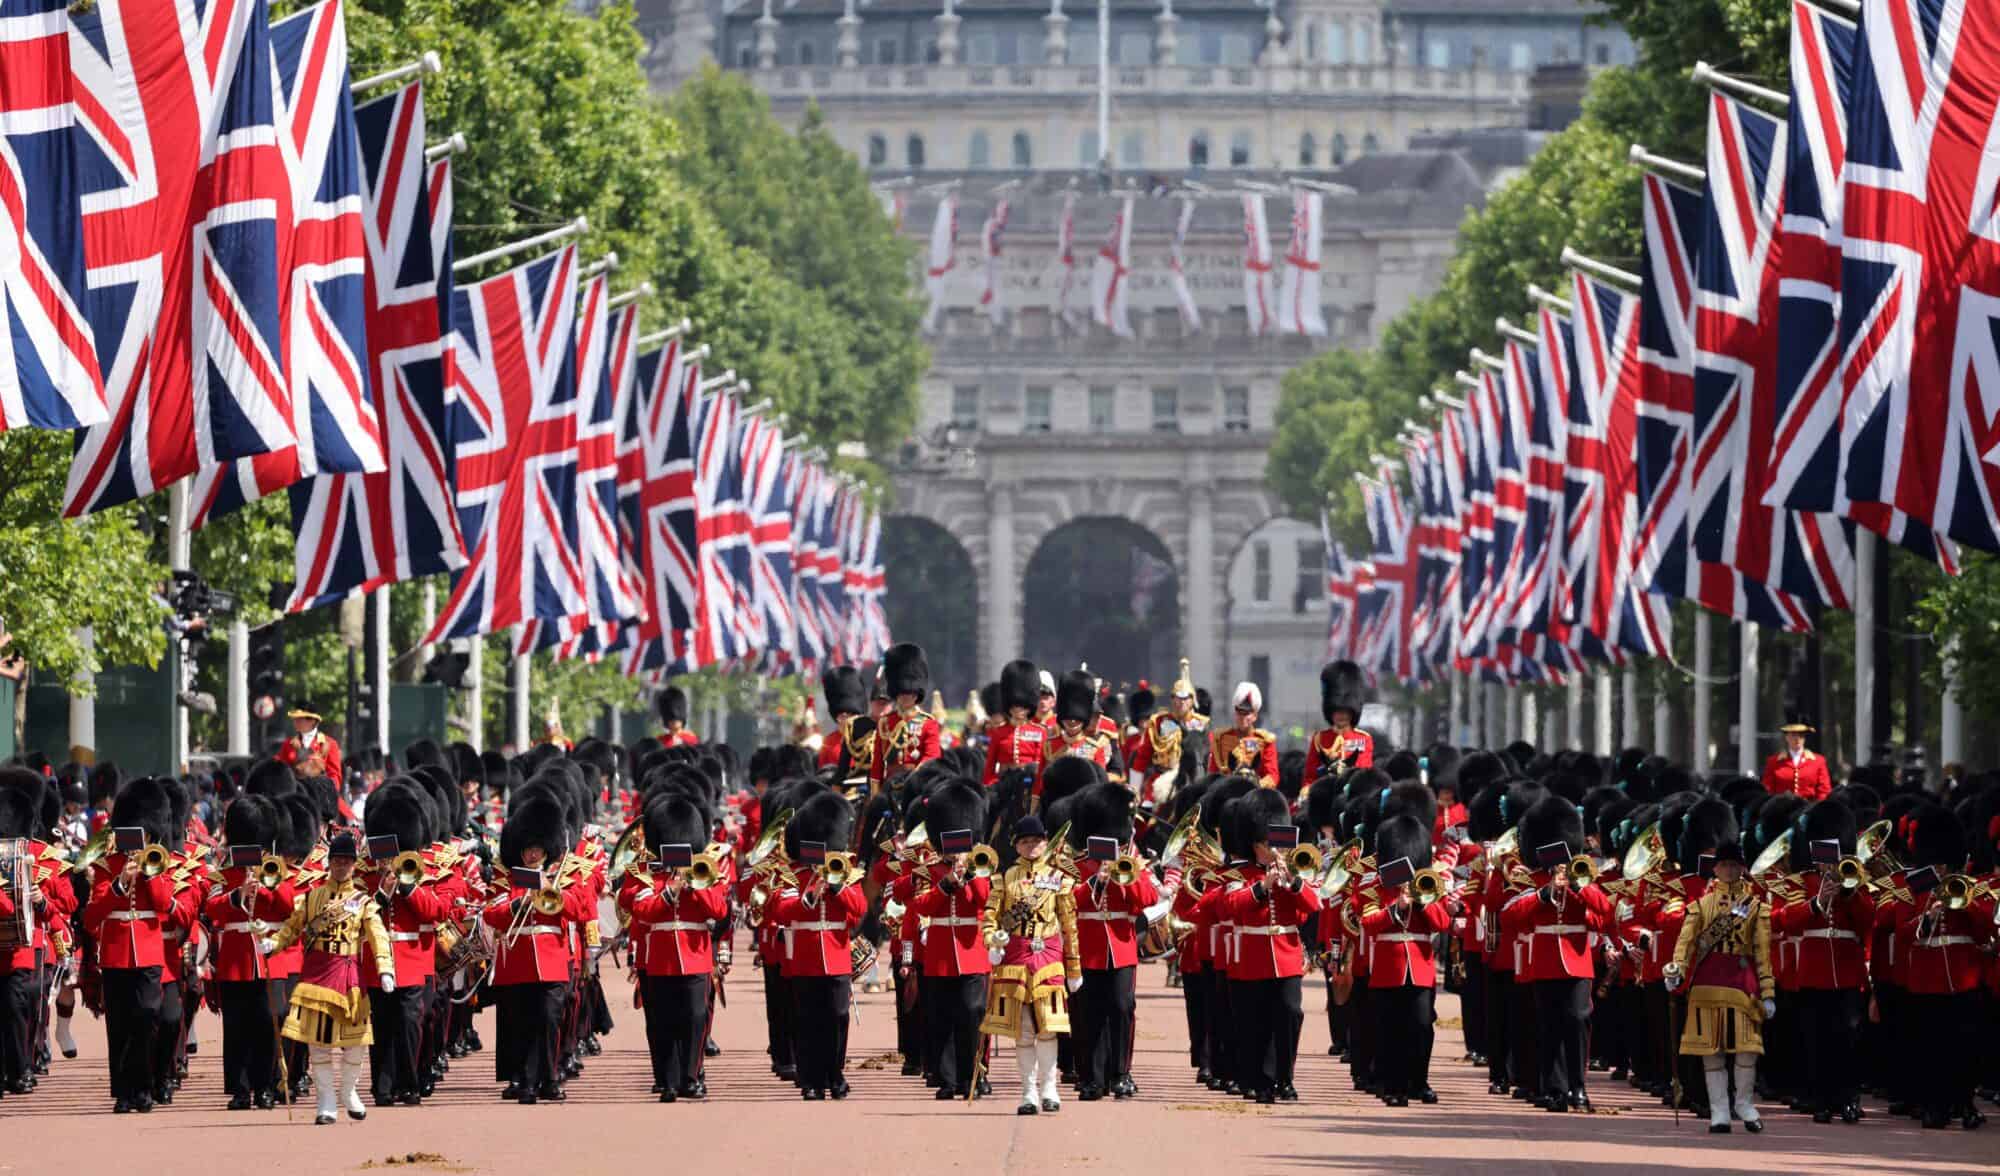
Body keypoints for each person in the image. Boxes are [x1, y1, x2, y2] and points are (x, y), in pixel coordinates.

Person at [261, 832, 395, 1126]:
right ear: (329, 863)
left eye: (347, 861)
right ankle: (326, 1101)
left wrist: (385, 968)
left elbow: (377, 935)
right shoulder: (312, 897)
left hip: (349, 975)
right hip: (318, 974)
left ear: (354, 865)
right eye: (337, 860)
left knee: (356, 1043)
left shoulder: (362, 901)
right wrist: (275, 943)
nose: (341, 866)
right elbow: (293, 926)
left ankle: (348, 1092)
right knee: (318, 1044)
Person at [1500, 795, 1615, 1113]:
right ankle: (1554, 1088)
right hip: (1545, 961)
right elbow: (1509, 914)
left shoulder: (1583, 879)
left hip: (1578, 962)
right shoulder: (1532, 879)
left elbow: (1604, 911)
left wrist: (1579, 887)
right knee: (1549, 1026)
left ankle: (1578, 1087)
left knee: (1577, 1022)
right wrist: (1544, 894)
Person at [482, 789, 593, 1106]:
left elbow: (580, 910)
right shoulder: (508, 877)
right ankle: (528, 1082)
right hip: (517, 962)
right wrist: (517, 906)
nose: (531, 854)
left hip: (552, 960)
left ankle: (549, 1076)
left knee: (548, 1020)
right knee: (521, 1024)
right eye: (527, 848)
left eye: (536, 847)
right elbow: (491, 912)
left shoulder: (563, 875)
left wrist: (548, 888)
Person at [1771, 800, 1874, 1124]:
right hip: (1812, 971)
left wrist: (1849, 894)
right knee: (1815, 1039)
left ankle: (1848, 1098)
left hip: (1846, 970)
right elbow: (1781, 921)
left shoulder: (1855, 881)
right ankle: (1822, 1099)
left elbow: (1868, 922)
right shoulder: (1798, 883)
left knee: (1847, 1039)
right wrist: (1816, 904)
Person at [621, 793, 729, 1103]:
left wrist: (695, 886)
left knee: (696, 1019)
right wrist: (671, 890)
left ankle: (691, 1078)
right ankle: (666, 1080)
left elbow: (719, 911)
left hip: (695, 957)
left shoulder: (706, 871)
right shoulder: (645, 874)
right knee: (661, 1023)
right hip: (658, 958)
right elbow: (643, 911)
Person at [81, 776, 180, 1113]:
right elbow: (92, 916)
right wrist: (120, 884)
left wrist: (149, 875)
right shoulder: (107, 868)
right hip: (116, 954)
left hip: (150, 952)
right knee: (120, 1024)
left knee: (148, 1017)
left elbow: (166, 905)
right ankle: (125, 1092)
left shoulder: (159, 864)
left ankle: (145, 1085)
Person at [1665, 835, 1774, 1135]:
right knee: (1711, 1053)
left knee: (1747, 1050)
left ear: (1741, 868)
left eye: (1733, 865)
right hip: (1707, 983)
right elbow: (1684, 945)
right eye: (1723, 865)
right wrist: (1676, 970)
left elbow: (1763, 955)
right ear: (1715, 870)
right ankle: (1719, 1112)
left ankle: (1743, 1102)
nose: (1728, 871)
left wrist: (1768, 993)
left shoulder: (1755, 907)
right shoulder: (1700, 906)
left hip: (1743, 983)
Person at [1218, 788, 1320, 1103]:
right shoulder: (1240, 873)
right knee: (1253, 1021)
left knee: (1290, 1014)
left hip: (1286, 954)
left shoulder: (1295, 871)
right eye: (1265, 843)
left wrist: (1292, 882)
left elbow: (1314, 905)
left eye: (1273, 842)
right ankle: (1259, 1080)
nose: (1270, 849)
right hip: (1251, 955)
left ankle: (1285, 1078)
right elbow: (1232, 906)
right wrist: (1262, 888)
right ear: (1253, 843)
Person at [979, 814, 1081, 1115]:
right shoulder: (1003, 879)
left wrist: (1074, 967)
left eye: (1036, 841)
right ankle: (1028, 1092)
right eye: (1025, 842)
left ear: (1045, 843)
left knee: (1049, 1026)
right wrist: (993, 943)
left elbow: (1069, 926)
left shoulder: (1060, 879)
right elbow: (989, 919)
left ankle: (1050, 1089)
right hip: (1016, 958)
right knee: (1023, 1030)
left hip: (1048, 958)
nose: (1031, 846)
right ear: (1016, 846)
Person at [769, 792, 867, 1100]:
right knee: (807, 1021)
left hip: (836, 956)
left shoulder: (845, 872)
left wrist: (836, 886)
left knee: (838, 1018)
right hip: (805, 957)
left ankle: (835, 1075)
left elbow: (860, 907)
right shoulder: (792, 875)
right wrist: (810, 894)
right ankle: (811, 1081)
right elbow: (780, 910)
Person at [202, 795, 295, 1111]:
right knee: (237, 1027)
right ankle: (241, 1090)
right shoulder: (222, 875)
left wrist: (266, 885)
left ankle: (266, 1086)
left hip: (270, 956)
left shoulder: (277, 870)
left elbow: (289, 907)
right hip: (236, 958)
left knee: (271, 1021)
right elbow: (212, 909)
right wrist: (237, 895)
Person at [1068, 784, 1155, 1102]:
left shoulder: (1130, 864)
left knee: (1122, 1008)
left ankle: (1121, 1073)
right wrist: (1095, 880)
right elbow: (1066, 900)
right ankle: (1090, 1076)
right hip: (1086, 948)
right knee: (1087, 1013)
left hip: (1120, 947)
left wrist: (1122, 878)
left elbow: (1147, 898)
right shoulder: (1076, 865)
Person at [908, 782, 993, 1099]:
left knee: (972, 1013)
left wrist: (967, 875)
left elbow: (982, 900)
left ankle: (972, 1076)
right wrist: (945, 883)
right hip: (940, 951)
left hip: (972, 950)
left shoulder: (979, 866)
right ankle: (947, 1080)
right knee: (941, 1018)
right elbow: (921, 906)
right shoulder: (926, 870)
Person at [1362, 814, 1447, 1107]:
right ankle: (1393, 1085)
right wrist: (1394, 909)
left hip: (1420, 967)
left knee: (1422, 1026)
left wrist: (1422, 901)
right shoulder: (1375, 886)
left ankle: (1419, 1081)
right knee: (1390, 1029)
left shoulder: (1428, 884)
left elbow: (1442, 922)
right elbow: (1368, 923)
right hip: (1388, 966)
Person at [1128, 661, 1203, 806]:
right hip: (1159, 782)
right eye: (1177, 697)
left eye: (1185, 698)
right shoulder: (1159, 722)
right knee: (1143, 818)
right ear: (1172, 699)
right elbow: (1143, 757)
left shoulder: (1202, 724)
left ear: (1192, 700)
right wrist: (1134, 790)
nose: (1181, 702)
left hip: (1192, 782)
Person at [871, 643, 942, 788]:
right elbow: (877, 763)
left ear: (917, 694)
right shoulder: (885, 723)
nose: (906, 697)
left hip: (917, 784)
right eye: (902, 693)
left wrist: (914, 778)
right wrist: (874, 794)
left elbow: (932, 757)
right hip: (889, 784)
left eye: (910, 693)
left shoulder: (928, 723)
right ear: (895, 692)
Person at [1305, 660, 1373, 789]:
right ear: (1330, 711)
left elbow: (1364, 770)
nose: (1342, 715)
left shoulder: (1363, 739)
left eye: (1346, 711)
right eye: (1337, 711)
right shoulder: (1319, 739)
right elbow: (1310, 776)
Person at [980, 660, 1047, 791]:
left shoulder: (1040, 732)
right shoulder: (999, 733)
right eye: (1014, 705)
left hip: (1030, 784)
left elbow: (1041, 766)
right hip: (1003, 785)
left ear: (1030, 705)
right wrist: (990, 789)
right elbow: (990, 768)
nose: (1018, 710)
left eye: (1023, 706)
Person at [1208, 683, 1278, 789]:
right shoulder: (1220, 738)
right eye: (1239, 712)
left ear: (1255, 716)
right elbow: (1213, 773)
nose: (1242, 717)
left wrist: (1254, 784)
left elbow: (1272, 776)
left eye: (1247, 713)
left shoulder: (1265, 740)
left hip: (1255, 792)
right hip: (1225, 792)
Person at [1761, 719, 1831, 801]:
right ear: (1786, 737)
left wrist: (1816, 809)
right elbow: (1767, 790)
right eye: (1793, 735)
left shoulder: (1818, 761)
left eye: (1801, 735)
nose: (1797, 739)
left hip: (1808, 809)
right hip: (1782, 809)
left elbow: (1824, 791)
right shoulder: (1773, 762)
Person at [816, 666, 868, 772]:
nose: (845, 718)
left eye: (850, 714)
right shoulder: (828, 743)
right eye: (842, 715)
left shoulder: (871, 739)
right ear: (837, 717)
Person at [275, 709, 343, 785]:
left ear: (312, 721)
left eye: (299, 719)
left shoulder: (330, 743)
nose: (295, 722)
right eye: (295, 719)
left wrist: (326, 792)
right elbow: (280, 771)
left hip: (321, 791)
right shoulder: (288, 744)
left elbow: (334, 776)